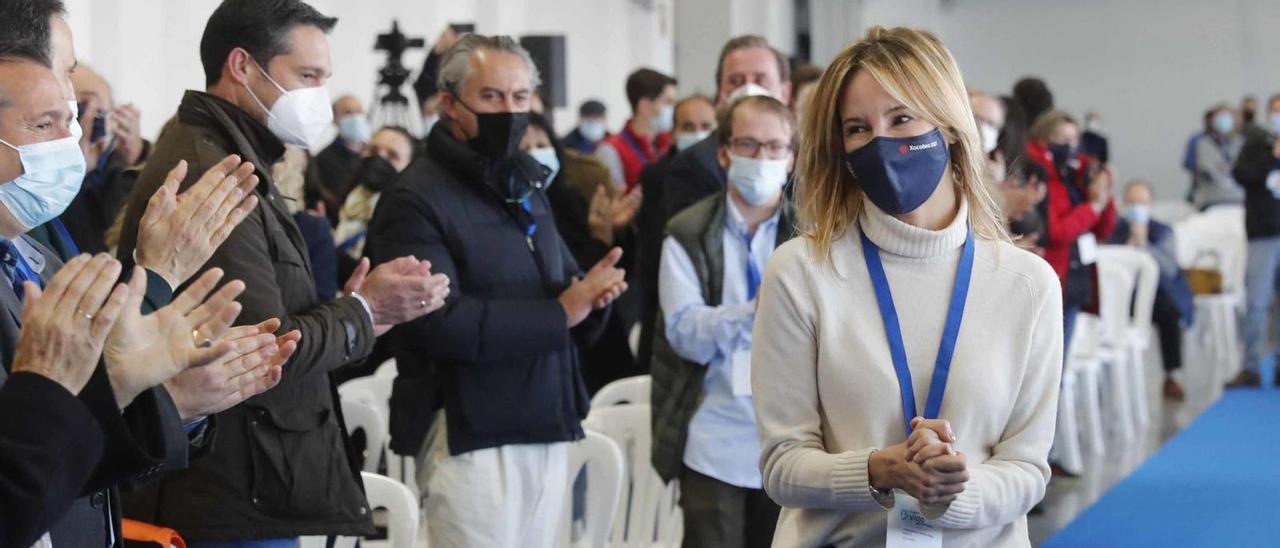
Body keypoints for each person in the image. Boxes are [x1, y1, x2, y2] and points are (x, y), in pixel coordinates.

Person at [114, 1, 452, 544]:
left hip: (250, 477)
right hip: (229, 490)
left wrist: (358, 309)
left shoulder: (236, 153)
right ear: (242, 66)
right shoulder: (217, 170)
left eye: (325, 79)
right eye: (307, 77)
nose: (318, 96)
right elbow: (258, 348)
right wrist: (362, 311)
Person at [0, 2, 302, 545]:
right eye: (46, 122)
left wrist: (168, 399)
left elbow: (64, 457)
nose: (68, 137)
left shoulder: (26, 239)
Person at [752, 27, 1062, 547]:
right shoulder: (801, 272)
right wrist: (876, 471)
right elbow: (782, 466)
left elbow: (1027, 469)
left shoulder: (1027, 285)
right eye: (857, 128)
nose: (881, 142)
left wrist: (950, 493)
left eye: (901, 118)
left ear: (950, 125)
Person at [363, 34, 626, 548]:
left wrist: (592, 299)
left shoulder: (526, 184)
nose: (509, 111)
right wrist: (562, 313)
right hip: (469, 434)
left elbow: (561, 286)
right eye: (491, 97)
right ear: (449, 105)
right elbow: (438, 323)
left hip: (547, 418)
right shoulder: (414, 199)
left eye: (520, 97)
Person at [650, 95, 796, 548]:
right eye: (749, 145)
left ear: (791, 159)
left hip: (792, 439)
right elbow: (684, 332)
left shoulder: (812, 234)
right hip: (715, 436)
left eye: (775, 147)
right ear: (724, 153)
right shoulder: (687, 232)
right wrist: (756, 313)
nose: (762, 158)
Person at [526, 113, 641, 392]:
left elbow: (617, 269)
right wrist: (599, 239)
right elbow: (568, 278)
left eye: (542, 145)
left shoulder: (570, 200)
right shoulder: (510, 214)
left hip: (601, 341)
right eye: (525, 148)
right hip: (554, 344)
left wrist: (615, 232)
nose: (536, 155)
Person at [662, 35, 792, 222]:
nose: (748, 89)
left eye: (760, 80)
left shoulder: (815, 161)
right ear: (719, 94)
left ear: (785, 92)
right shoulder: (692, 165)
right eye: (736, 81)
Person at [635, 95, 716, 371]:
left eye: (705, 125)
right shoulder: (655, 176)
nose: (697, 134)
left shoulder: (725, 175)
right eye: (688, 126)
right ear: (673, 132)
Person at [1027, 109, 1116, 353]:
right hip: (1055, 276)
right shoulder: (1041, 179)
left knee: (1062, 361)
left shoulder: (1074, 177)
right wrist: (1092, 207)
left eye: (1074, 139)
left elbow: (1101, 230)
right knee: (1049, 361)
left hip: (1077, 276)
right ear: (1044, 140)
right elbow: (1057, 232)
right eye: (1062, 139)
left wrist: (1103, 197)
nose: (1070, 146)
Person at [47, 63, 149, 255]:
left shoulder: (122, 164)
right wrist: (74, 173)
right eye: (81, 109)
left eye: (101, 113)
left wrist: (136, 159)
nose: (92, 121)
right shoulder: (44, 176)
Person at [1107, 180, 1195, 399]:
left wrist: (1143, 243)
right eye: (1132, 202)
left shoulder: (1163, 231)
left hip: (1157, 293)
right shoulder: (1112, 229)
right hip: (1118, 297)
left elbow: (1169, 268)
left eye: (1142, 203)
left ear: (1150, 206)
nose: (1137, 208)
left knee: (1169, 313)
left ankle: (1172, 375)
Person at [1227, 93, 1280, 388]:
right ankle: (1250, 365)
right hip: (1264, 231)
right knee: (1258, 301)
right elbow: (1240, 174)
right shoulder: (1258, 142)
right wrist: (1272, 156)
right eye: (1275, 110)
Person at [334, 125, 416, 265]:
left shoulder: (404, 222)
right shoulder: (340, 197)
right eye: (373, 150)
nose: (379, 159)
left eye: (392, 156)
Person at [596, 68, 676, 191]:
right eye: (668, 102)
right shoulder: (611, 151)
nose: (674, 109)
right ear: (644, 106)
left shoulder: (670, 143)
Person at [312, 94, 368, 219]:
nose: (355, 117)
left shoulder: (373, 154)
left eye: (359, 112)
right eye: (347, 113)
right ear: (335, 120)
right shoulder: (322, 161)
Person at [1191, 103, 1244, 209]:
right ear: (1212, 121)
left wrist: (1223, 168)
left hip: (1239, 201)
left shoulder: (1242, 143)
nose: (1224, 120)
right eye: (1220, 117)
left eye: (1227, 117)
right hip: (1211, 201)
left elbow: (1244, 170)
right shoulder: (1203, 144)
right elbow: (1208, 170)